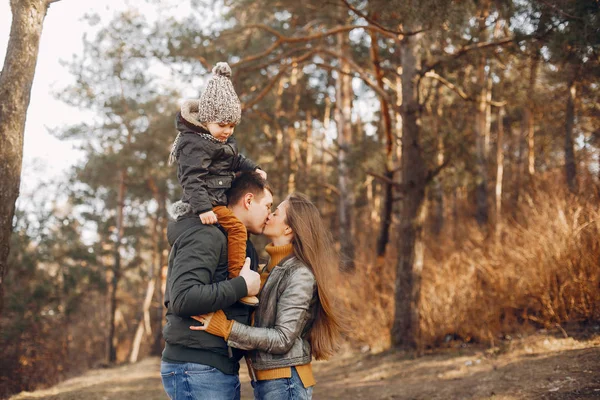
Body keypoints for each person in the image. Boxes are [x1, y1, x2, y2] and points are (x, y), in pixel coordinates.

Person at [191, 192, 345, 400]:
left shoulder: (299, 274)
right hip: (270, 381)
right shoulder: (267, 270)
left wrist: (226, 329)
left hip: (286, 382)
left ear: (288, 228)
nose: (268, 215)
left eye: (275, 213)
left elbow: (283, 338)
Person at [160, 171, 272, 400]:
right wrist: (241, 286)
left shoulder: (237, 242)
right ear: (248, 201)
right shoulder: (207, 234)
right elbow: (183, 298)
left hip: (214, 365)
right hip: (198, 366)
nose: (270, 214)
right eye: (268, 206)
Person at [168, 61, 266, 306]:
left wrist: (253, 168)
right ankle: (238, 279)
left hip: (215, 201)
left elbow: (235, 159)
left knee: (234, 230)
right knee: (236, 228)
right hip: (206, 203)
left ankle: (239, 276)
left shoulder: (220, 142)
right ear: (206, 119)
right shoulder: (195, 143)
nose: (227, 131)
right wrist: (203, 209)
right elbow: (191, 179)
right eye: (222, 125)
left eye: (232, 125)